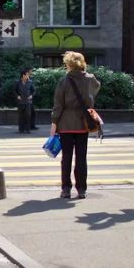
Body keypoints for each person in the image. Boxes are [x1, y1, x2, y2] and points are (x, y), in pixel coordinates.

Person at [50, 51, 101, 199]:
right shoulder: (90, 79)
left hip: (66, 123)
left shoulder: (64, 81)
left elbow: (58, 104)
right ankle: (81, 189)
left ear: (69, 65)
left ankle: (66, 189)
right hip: (83, 123)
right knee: (81, 158)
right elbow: (97, 87)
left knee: (66, 158)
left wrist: (54, 122)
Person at [15, 69, 33, 134]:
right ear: (23, 75)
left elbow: (34, 91)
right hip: (20, 101)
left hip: (28, 102)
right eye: (27, 74)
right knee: (21, 116)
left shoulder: (30, 82)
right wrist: (17, 96)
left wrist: (31, 95)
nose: (28, 76)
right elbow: (14, 91)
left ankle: (28, 129)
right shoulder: (17, 82)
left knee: (28, 115)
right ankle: (21, 129)